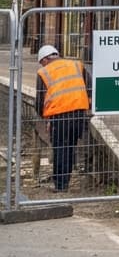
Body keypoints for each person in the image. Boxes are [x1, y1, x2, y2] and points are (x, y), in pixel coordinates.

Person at [35, 44, 91, 192]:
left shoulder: (43, 72)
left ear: (46, 59)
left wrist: (46, 119)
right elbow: (89, 87)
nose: (42, 65)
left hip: (59, 117)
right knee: (70, 147)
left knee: (60, 149)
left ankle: (60, 185)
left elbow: (40, 101)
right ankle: (65, 181)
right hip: (79, 115)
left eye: (41, 62)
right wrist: (87, 107)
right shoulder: (77, 65)